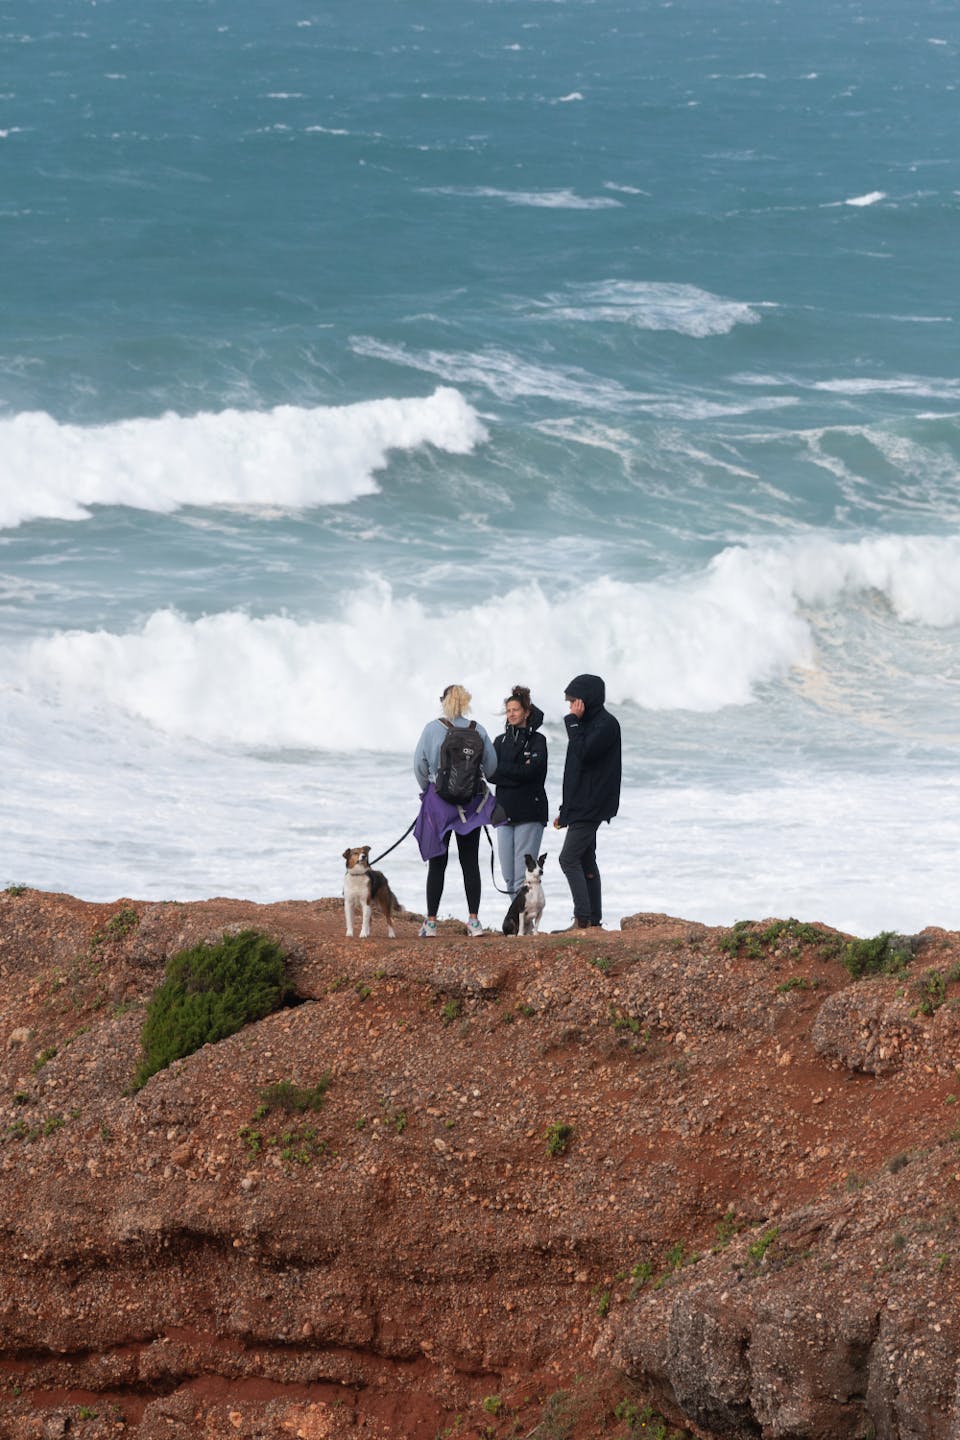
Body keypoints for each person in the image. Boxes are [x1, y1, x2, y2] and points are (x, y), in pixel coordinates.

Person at [413, 683, 499, 937]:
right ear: (466, 702)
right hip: (470, 806)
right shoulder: (478, 729)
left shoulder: (432, 729)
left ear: (443, 701)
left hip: (439, 804)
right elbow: (491, 768)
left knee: (437, 863)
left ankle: (430, 923)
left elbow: (419, 764)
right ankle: (474, 922)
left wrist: (430, 790)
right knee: (470, 862)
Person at [554, 673, 621, 930]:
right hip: (580, 804)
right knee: (585, 859)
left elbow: (584, 754)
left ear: (586, 699)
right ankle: (593, 920)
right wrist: (566, 810)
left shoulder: (605, 724)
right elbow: (574, 773)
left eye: (573, 702)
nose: (570, 708)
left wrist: (572, 722)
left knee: (567, 859)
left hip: (592, 804)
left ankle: (582, 918)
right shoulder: (585, 725)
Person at [493, 685, 548, 896]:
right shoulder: (499, 741)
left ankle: (524, 925)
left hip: (530, 813)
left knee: (522, 877)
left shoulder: (538, 741)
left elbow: (531, 773)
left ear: (526, 712)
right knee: (508, 877)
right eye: (508, 711)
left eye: (515, 710)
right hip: (504, 812)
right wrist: (517, 773)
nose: (511, 714)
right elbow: (490, 773)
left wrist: (504, 772)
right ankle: (518, 923)